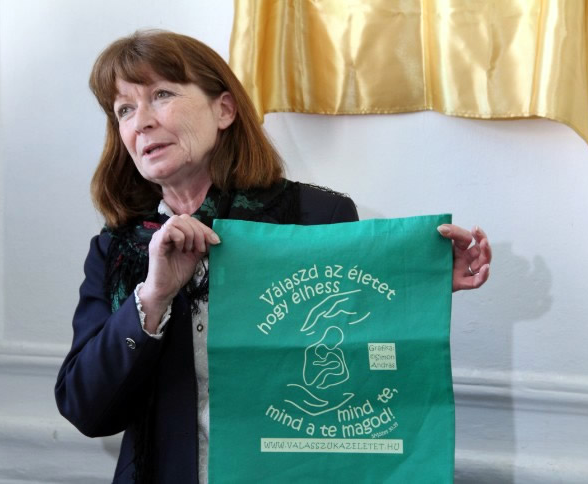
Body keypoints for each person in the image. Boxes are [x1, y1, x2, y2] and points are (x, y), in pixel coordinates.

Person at [55, 30, 491, 484]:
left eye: (161, 95)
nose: (141, 122)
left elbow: (360, 356)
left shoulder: (315, 217)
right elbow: (87, 410)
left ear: (224, 110)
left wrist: (418, 281)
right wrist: (153, 298)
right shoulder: (117, 250)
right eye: (124, 109)